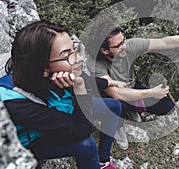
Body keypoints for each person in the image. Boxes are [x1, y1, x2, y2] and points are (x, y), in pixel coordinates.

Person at [0, 20, 124, 169]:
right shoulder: (16, 104)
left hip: (47, 119)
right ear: (43, 67)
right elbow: (81, 131)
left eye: (74, 49)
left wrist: (109, 83)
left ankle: (103, 160)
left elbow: (85, 79)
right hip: (27, 142)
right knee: (86, 144)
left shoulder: (43, 73)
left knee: (113, 106)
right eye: (67, 55)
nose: (79, 58)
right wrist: (78, 87)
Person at [90, 21, 179, 150]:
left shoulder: (129, 47)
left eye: (123, 41)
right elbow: (116, 93)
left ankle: (132, 110)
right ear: (104, 50)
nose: (124, 46)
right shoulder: (96, 65)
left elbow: (166, 42)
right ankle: (118, 122)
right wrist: (151, 93)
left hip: (132, 88)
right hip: (115, 98)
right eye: (118, 45)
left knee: (167, 108)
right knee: (117, 104)